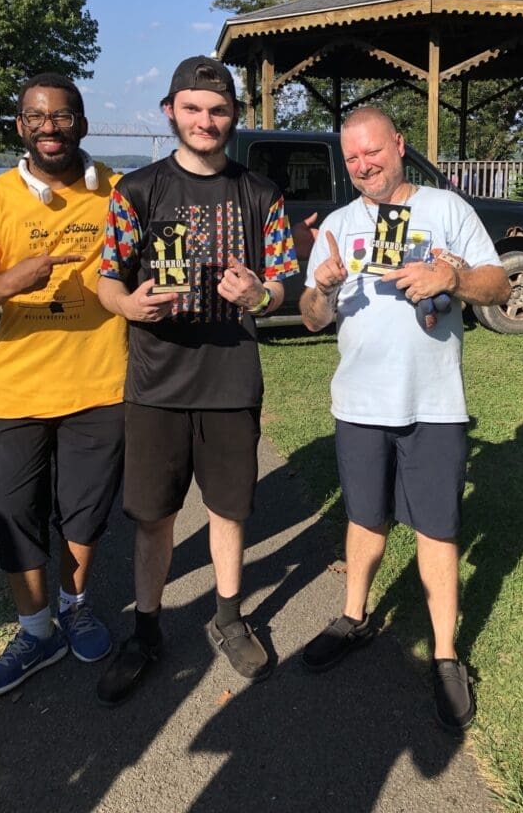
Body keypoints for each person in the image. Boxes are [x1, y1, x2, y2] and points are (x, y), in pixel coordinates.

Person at [298, 107, 511, 733]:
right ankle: (353, 616)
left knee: (437, 529)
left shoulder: (447, 209)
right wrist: (327, 285)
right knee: (365, 519)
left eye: (374, 151)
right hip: (359, 404)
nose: (364, 165)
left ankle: (445, 654)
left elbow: (498, 286)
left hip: (433, 403)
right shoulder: (338, 225)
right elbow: (312, 315)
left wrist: (454, 276)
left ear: (398, 145)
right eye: (352, 158)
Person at [95, 55, 299, 706]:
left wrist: (262, 294)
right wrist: (128, 306)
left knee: (229, 513)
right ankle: (146, 630)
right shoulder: (136, 191)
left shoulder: (260, 193)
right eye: (192, 108)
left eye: (217, 110)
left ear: (234, 117)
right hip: (155, 383)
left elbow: (285, 280)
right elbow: (106, 277)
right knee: (153, 518)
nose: (205, 121)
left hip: (231, 383)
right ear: (170, 111)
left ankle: (229, 617)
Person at [0, 73, 127, 700]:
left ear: (82, 121)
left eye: (63, 115)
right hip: (17, 390)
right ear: (21, 126)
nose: (51, 126)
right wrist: (7, 283)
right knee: (16, 515)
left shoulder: (118, 193)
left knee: (84, 511)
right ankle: (33, 630)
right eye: (36, 117)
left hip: (100, 384)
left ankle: (75, 606)